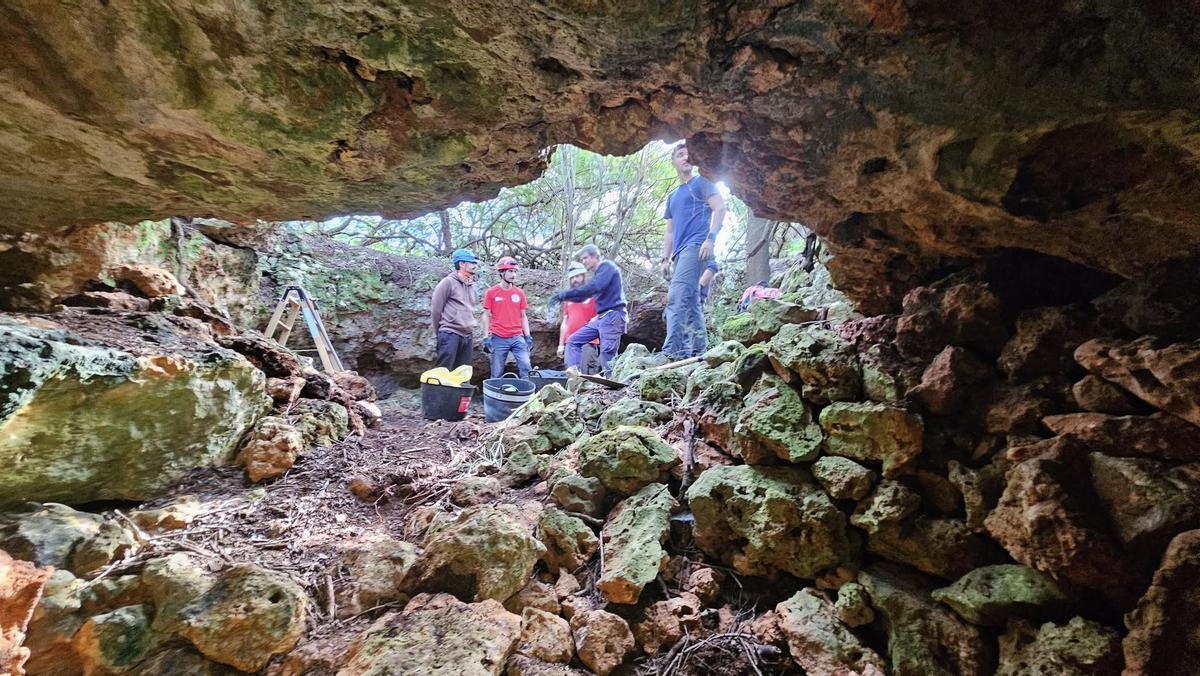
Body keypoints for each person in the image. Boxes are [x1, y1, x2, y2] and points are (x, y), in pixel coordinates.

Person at [661, 141, 726, 359]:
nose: (685, 158)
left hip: (696, 245)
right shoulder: (672, 197)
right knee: (690, 299)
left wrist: (711, 239)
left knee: (676, 296)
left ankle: (673, 351)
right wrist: (664, 258)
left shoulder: (703, 182)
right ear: (674, 162)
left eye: (688, 154)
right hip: (679, 253)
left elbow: (720, 208)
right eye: (680, 154)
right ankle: (699, 351)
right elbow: (669, 232)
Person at [550, 244, 626, 375]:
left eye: (585, 258)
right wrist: (562, 296)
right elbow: (584, 296)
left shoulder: (607, 267)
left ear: (595, 256)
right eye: (582, 259)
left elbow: (595, 287)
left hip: (613, 315)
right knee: (573, 341)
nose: (583, 261)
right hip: (601, 318)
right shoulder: (599, 274)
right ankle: (574, 375)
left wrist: (566, 294)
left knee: (607, 353)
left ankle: (614, 383)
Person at [481, 256, 533, 379]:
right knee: (497, 371)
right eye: (510, 271)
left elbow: (523, 316)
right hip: (498, 337)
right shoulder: (491, 292)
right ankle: (495, 397)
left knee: (526, 365)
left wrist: (528, 336)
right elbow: (486, 315)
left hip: (517, 336)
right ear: (501, 272)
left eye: (515, 271)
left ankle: (529, 395)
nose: (513, 275)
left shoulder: (519, 293)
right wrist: (485, 337)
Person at [430, 248, 478, 370]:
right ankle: (438, 390)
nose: (475, 265)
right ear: (462, 264)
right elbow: (436, 310)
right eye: (471, 263)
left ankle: (461, 390)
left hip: (467, 336)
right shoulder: (447, 282)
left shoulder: (471, 285)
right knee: (444, 372)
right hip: (450, 333)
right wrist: (440, 332)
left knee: (463, 374)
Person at [558, 261, 600, 375]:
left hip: (588, 341)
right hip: (570, 343)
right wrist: (561, 344)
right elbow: (565, 322)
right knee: (571, 375)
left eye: (577, 276)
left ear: (583, 276)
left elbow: (601, 315)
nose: (574, 280)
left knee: (587, 376)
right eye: (572, 277)